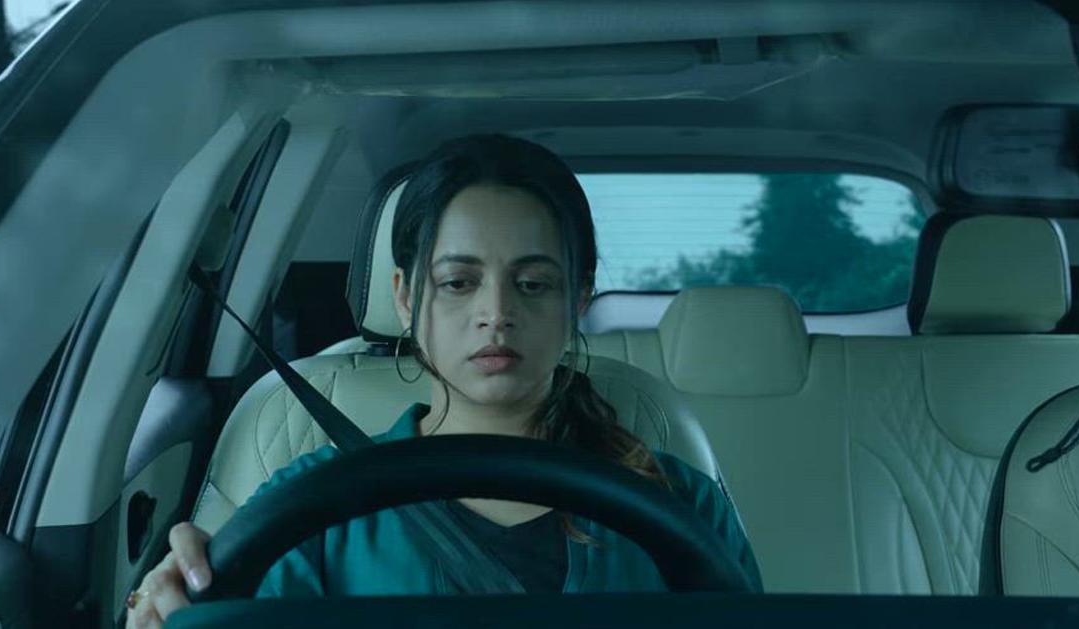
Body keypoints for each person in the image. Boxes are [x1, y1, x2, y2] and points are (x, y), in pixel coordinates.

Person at [125, 134, 762, 628]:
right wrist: (167, 605)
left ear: (580, 297)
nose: (497, 312)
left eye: (533, 283)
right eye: (458, 282)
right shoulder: (303, 509)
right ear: (405, 297)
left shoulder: (681, 504)